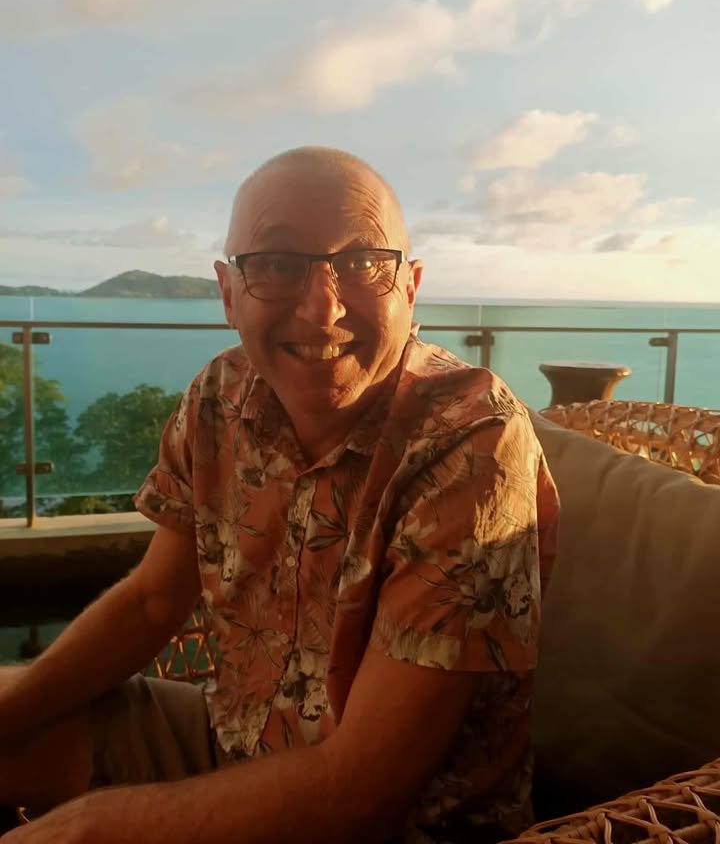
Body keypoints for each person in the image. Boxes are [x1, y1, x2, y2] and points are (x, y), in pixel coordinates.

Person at [0, 147, 558, 844]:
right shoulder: (220, 397)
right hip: (224, 741)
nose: (322, 309)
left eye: (363, 262)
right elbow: (151, 602)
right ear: (229, 293)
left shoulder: (471, 443)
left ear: (410, 288)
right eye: (276, 263)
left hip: (399, 823)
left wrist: (92, 826)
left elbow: (364, 790)